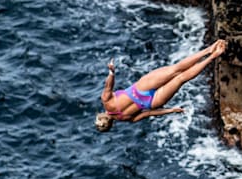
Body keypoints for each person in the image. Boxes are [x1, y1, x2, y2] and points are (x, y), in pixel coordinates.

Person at [95, 39, 227, 132]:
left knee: (181, 78)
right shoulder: (106, 101)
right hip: (140, 89)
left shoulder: (125, 119)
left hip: (151, 102)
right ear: (100, 116)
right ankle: (209, 50)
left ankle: (213, 56)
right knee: (176, 69)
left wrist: (171, 110)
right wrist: (111, 72)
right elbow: (109, 85)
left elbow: (149, 114)